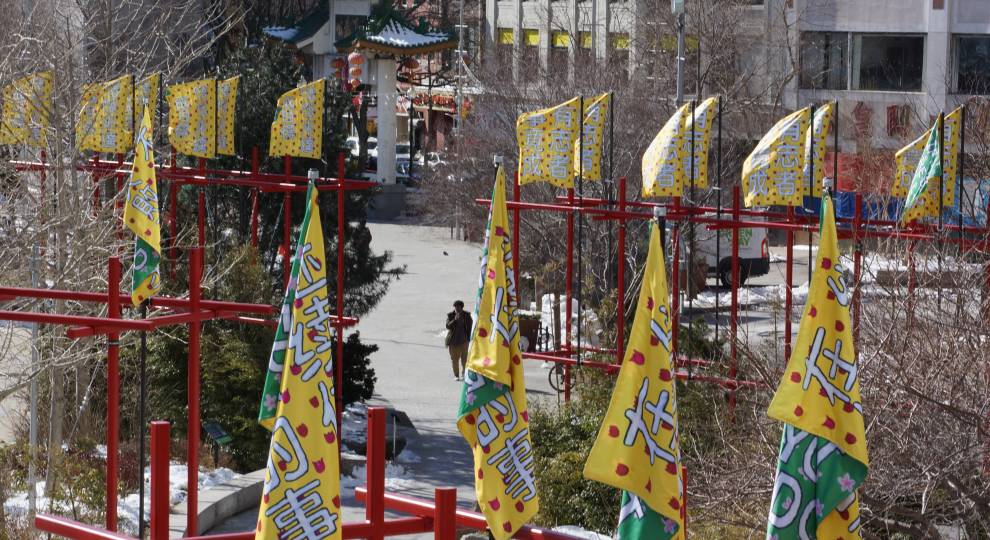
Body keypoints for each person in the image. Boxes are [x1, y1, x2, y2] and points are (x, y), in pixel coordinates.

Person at [445, 300, 472, 380]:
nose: (457, 309)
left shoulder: (467, 315)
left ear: (462, 307)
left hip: (464, 341)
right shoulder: (450, 315)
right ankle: (456, 375)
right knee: (454, 360)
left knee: (464, 359)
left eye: (458, 307)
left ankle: (464, 374)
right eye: (455, 307)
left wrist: (469, 338)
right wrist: (454, 320)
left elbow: (470, 327)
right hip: (453, 342)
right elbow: (447, 326)